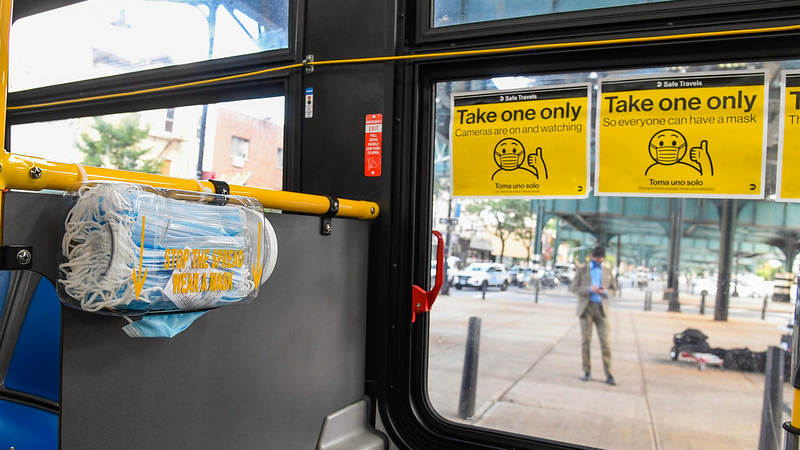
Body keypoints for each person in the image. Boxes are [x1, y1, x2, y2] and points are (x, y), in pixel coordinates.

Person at [570, 245, 618, 385]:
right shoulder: (583, 270)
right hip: (587, 309)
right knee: (586, 342)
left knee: (606, 344)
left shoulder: (607, 271)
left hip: (601, 310)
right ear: (592, 257)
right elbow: (573, 288)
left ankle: (609, 374)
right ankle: (586, 371)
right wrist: (589, 289)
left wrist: (605, 292)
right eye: (597, 258)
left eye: (601, 258)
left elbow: (614, 290)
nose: (599, 260)